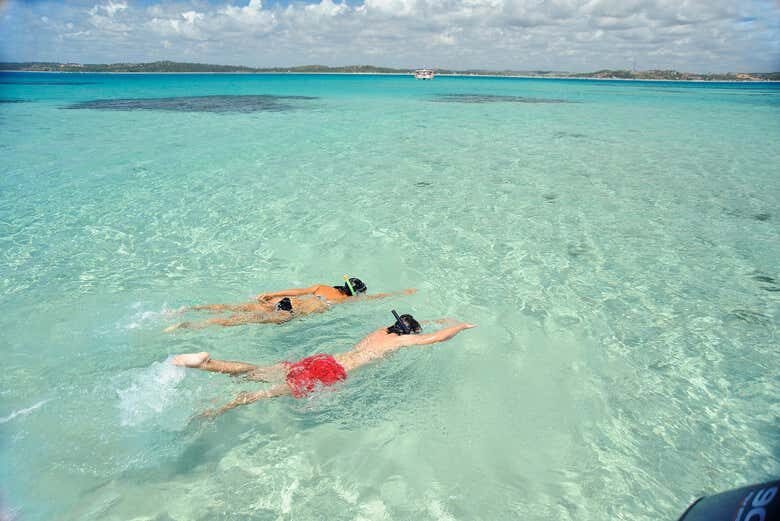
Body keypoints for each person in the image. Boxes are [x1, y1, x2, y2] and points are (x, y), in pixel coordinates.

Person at [170, 312, 475, 417]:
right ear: (410, 334)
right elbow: (435, 338)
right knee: (264, 394)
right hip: (332, 372)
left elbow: (417, 327)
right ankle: (215, 411)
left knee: (256, 371)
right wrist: (459, 326)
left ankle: (206, 364)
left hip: (323, 359)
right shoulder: (401, 341)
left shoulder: (383, 331)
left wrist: (432, 321)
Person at [164, 277, 416, 332]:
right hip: (291, 312)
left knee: (236, 307)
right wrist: (403, 290)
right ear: (355, 294)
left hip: (286, 301)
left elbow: (296, 290)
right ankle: (188, 326)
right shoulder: (343, 302)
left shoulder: (321, 287)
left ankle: (185, 312)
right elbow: (377, 298)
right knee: (240, 321)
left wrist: (271, 293)